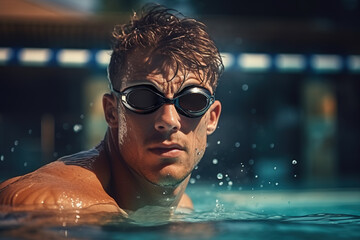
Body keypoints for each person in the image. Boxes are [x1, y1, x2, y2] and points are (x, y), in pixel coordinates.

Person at [0, 5, 223, 216]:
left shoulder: (183, 207)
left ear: (212, 118)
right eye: (143, 98)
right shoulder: (57, 208)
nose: (168, 120)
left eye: (192, 101)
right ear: (112, 112)